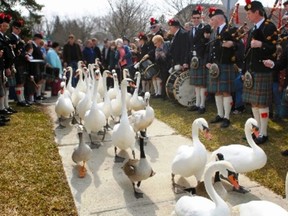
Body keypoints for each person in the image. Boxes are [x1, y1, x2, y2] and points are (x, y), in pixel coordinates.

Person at [242, 1, 277, 144]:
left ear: (257, 12)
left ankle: (264, 133)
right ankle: (256, 132)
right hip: (252, 70)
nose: (248, 15)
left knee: (262, 104)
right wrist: (245, 71)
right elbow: (247, 53)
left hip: (263, 71)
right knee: (254, 103)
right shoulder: (252, 29)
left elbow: (274, 48)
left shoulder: (269, 27)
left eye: (249, 13)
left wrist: (261, 44)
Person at [205, 8, 238, 128]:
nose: (211, 22)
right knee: (217, 91)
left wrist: (232, 44)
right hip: (215, 65)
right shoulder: (215, 31)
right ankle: (219, 114)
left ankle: (227, 117)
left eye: (212, 19)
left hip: (226, 64)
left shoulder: (231, 29)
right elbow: (211, 49)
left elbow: (240, 45)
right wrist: (209, 62)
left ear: (219, 18)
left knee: (225, 91)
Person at [187, 5, 211, 114]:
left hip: (202, 58)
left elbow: (207, 44)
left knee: (202, 84)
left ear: (201, 17)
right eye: (194, 18)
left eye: (198, 17)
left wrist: (206, 59)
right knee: (196, 84)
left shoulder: (205, 28)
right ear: (191, 18)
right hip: (193, 59)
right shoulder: (191, 30)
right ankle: (197, 104)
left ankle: (202, 105)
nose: (196, 19)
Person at [142, 35, 171, 99]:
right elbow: (157, 59)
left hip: (169, 64)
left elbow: (169, 55)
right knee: (161, 79)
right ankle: (162, 94)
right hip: (162, 66)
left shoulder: (168, 45)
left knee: (165, 79)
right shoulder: (157, 49)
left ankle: (165, 95)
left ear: (160, 42)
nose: (154, 45)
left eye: (155, 43)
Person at [9, 19, 29, 107]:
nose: (19, 30)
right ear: (13, 28)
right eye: (17, 28)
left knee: (21, 82)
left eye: (20, 29)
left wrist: (26, 55)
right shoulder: (11, 37)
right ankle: (20, 100)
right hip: (16, 62)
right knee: (19, 82)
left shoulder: (18, 38)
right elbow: (15, 51)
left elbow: (22, 50)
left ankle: (22, 99)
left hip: (22, 62)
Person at [0, 12, 16, 115]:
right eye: (4, 26)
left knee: (5, 87)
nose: (6, 27)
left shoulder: (4, 37)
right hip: (3, 65)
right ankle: (2, 108)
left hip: (5, 65)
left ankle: (4, 107)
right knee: (1, 89)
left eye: (7, 26)